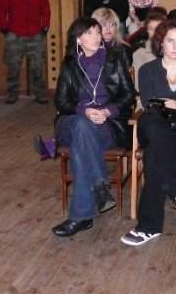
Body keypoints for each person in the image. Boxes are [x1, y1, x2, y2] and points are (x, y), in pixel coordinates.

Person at [121, 20, 176, 247]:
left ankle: (148, 227)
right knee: (153, 122)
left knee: (154, 155)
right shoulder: (147, 70)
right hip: (155, 127)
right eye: (170, 41)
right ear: (160, 42)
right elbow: (149, 103)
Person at [52, 17, 136, 237]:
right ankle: (99, 184)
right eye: (89, 33)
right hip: (72, 121)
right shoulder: (70, 64)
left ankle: (82, 215)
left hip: (106, 125)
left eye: (98, 32)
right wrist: (84, 111)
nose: (97, 36)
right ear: (78, 39)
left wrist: (107, 111)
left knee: (82, 143)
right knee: (82, 126)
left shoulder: (114, 59)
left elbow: (129, 95)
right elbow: (61, 101)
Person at [0, 0, 51, 104]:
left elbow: (46, 10)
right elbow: (0, 11)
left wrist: (44, 27)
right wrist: (4, 28)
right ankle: (12, 94)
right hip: (14, 34)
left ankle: (40, 94)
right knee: (13, 67)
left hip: (35, 34)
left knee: (37, 66)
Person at [131, 12, 165, 106]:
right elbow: (139, 86)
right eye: (151, 29)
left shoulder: (175, 51)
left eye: (158, 29)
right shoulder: (140, 54)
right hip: (150, 100)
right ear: (147, 30)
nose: (155, 32)